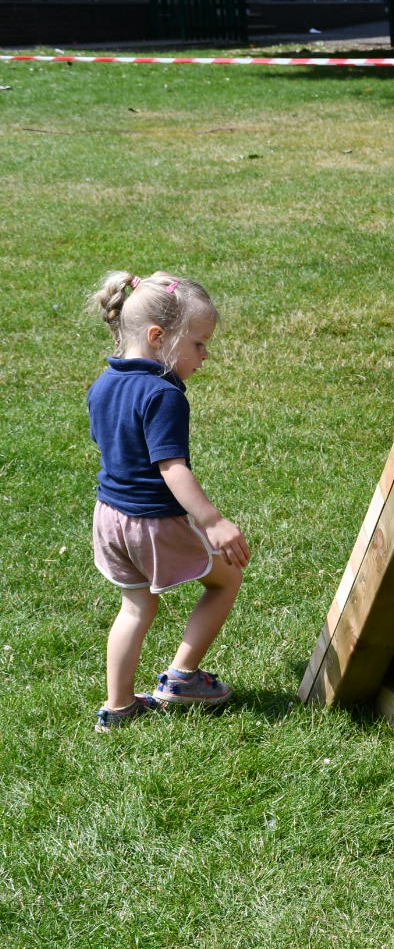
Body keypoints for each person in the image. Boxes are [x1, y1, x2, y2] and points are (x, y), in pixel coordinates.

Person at [86, 271, 249, 732]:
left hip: (109, 517)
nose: (204, 355)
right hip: (152, 522)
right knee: (226, 579)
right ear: (158, 338)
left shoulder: (102, 385)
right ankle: (182, 679)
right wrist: (213, 521)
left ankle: (117, 708)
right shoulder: (164, 393)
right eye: (198, 344)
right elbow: (171, 468)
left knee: (135, 608)